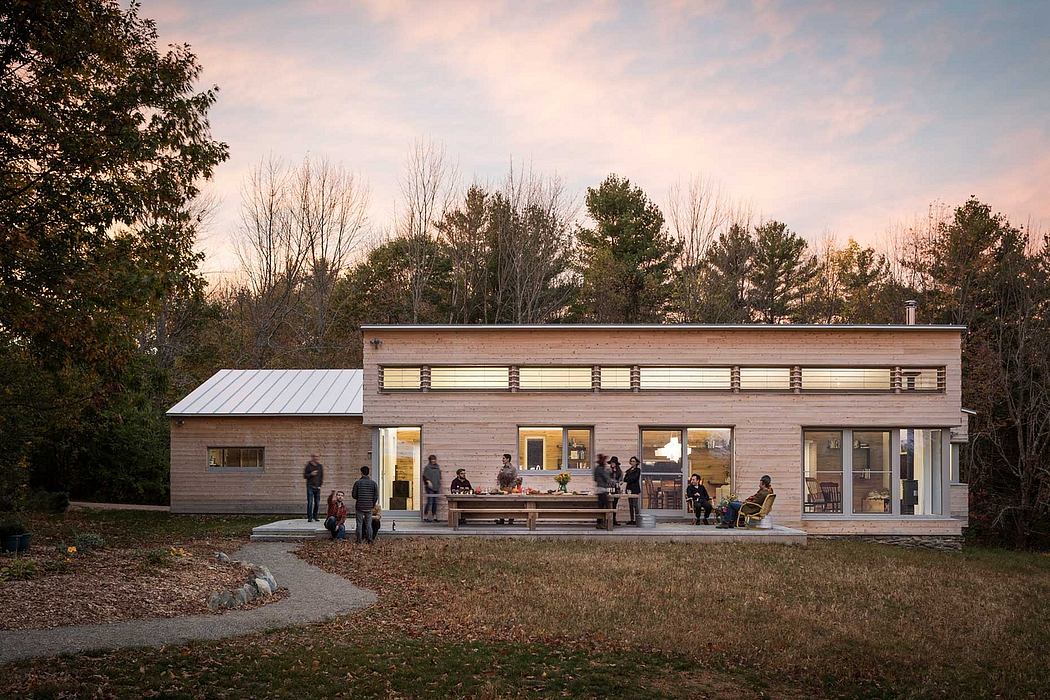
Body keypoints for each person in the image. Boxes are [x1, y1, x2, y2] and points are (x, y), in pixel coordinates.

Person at [351, 465, 379, 543]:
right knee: (368, 524)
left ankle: (359, 540)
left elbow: (353, 495)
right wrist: (372, 504)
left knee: (359, 523)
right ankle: (370, 539)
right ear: (368, 473)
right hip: (369, 506)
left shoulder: (357, 483)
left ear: (361, 473)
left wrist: (359, 498)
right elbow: (376, 496)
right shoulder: (373, 483)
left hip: (359, 506)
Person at [593, 453, 615, 529]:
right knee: (606, 508)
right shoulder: (601, 469)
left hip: (598, 489)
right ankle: (604, 524)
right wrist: (614, 481)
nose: (605, 463)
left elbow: (595, 479)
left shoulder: (596, 468)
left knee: (601, 507)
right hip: (602, 490)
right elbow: (607, 478)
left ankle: (600, 523)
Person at [496, 453, 518, 524]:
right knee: (502, 504)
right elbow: (499, 478)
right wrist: (499, 479)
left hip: (510, 489)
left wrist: (510, 488)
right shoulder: (502, 468)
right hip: (503, 489)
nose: (502, 460)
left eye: (503, 458)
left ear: (508, 459)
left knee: (511, 504)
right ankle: (501, 519)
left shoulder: (513, 469)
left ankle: (511, 520)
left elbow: (515, 479)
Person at [303, 454, 324, 522]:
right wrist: (311, 474)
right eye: (315, 456)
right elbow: (305, 476)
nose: (316, 458)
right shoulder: (308, 466)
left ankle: (315, 516)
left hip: (317, 487)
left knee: (317, 502)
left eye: (317, 457)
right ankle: (310, 517)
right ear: (312, 457)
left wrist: (320, 485)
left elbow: (321, 477)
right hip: (310, 487)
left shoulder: (320, 466)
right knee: (310, 502)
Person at [422, 454, 442, 522]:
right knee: (430, 501)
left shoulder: (438, 467)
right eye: (432, 459)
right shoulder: (427, 468)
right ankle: (426, 516)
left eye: (434, 459)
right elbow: (424, 477)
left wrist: (438, 483)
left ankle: (434, 517)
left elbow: (439, 476)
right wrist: (428, 481)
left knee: (435, 502)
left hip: (436, 486)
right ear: (430, 460)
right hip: (429, 487)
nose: (433, 460)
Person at [623, 456, 642, 525]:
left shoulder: (638, 470)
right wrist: (628, 478)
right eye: (631, 461)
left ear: (636, 462)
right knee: (630, 505)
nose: (632, 462)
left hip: (635, 489)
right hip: (629, 489)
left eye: (633, 461)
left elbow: (634, 478)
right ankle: (632, 519)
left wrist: (628, 478)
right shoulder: (629, 470)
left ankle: (637, 519)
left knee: (635, 505)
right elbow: (625, 479)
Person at [608, 456, 623, 526]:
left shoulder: (619, 471)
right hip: (609, 489)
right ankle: (609, 520)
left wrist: (619, 482)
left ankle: (614, 520)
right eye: (611, 463)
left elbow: (621, 480)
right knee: (609, 505)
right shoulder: (608, 470)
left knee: (614, 505)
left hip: (616, 489)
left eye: (613, 463)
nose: (612, 464)